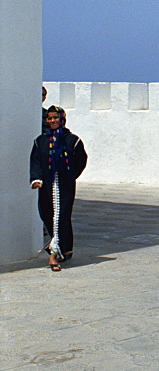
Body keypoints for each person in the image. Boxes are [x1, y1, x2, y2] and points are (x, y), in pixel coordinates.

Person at [30, 106, 88, 271]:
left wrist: (70, 175)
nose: (53, 121)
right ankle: (66, 248)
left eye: (55, 117)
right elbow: (36, 161)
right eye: (50, 118)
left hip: (65, 185)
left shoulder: (72, 140)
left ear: (62, 119)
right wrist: (36, 178)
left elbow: (81, 160)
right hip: (47, 185)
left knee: (60, 218)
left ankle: (53, 256)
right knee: (46, 214)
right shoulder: (41, 141)